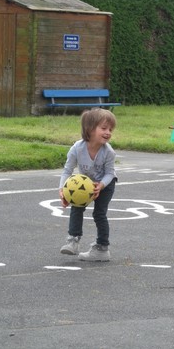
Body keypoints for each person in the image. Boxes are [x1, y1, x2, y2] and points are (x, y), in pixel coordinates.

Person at [59, 108, 118, 262]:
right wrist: (62, 190)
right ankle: (73, 241)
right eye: (104, 128)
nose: (108, 132)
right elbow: (67, 170)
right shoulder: (77, 149)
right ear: (89, 129)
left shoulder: (108, 152)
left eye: (110, 129)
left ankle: (102, 248)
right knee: (76, 207)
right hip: (84, 185)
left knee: (99, 214)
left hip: (105, 185)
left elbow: (110, 173)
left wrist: (101, 186)